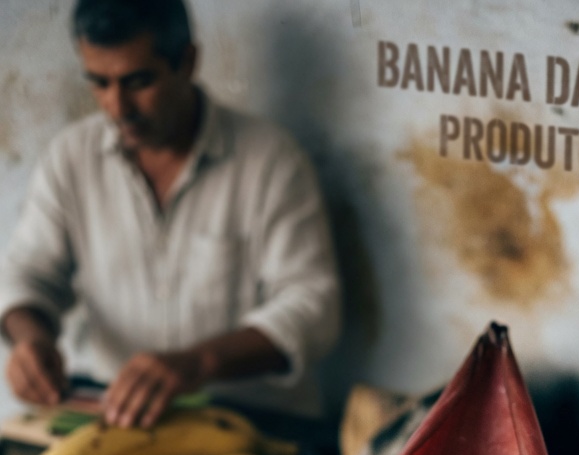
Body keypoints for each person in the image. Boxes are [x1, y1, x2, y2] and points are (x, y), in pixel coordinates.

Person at [0, 0, 341, 429]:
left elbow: (314, 307)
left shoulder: (271, 161)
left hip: (253, 422)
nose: (117, 106)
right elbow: (26, 276)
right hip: (117, 415)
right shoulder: (71, 158)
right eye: (99, 83)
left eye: (138, 81)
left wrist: (198, 363)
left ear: (188, 62)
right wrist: (29, 340)